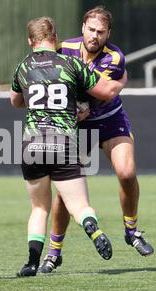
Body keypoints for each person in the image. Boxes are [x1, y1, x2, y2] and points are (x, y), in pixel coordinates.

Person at [38, 6, 154, 274]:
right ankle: (54, 252)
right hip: (76, 126)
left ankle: (132, 230)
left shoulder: (115, 56)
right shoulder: (63, 47)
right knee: (65, 192)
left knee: (127, 173)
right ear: (83, 28)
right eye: (91, 29)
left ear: (108, 33)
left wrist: (80, 101)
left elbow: (101, 92)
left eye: (101, 32)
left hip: (110, 120)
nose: (95, 36)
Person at [11, 16, 126, 276]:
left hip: (32, 143)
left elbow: (16, 101)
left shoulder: (23, 66)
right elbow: (106, 92)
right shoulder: (71, 63)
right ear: (55, 38)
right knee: (79, 206)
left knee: (39, 207)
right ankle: (93, 229)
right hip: (63, 142)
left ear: (31, 41)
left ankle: (31, 263)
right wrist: (121, 81)